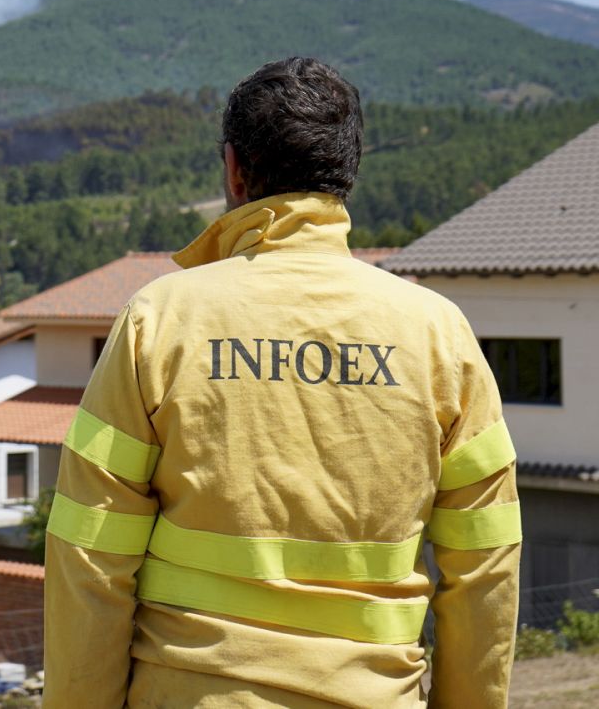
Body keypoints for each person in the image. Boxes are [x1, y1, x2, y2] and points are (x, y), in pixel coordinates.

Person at [42, 57, 521, 707]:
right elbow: (486, 563)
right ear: (346, 173)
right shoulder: (440, 334)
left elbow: (90, 553)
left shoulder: (159, 320)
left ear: (234, 170)